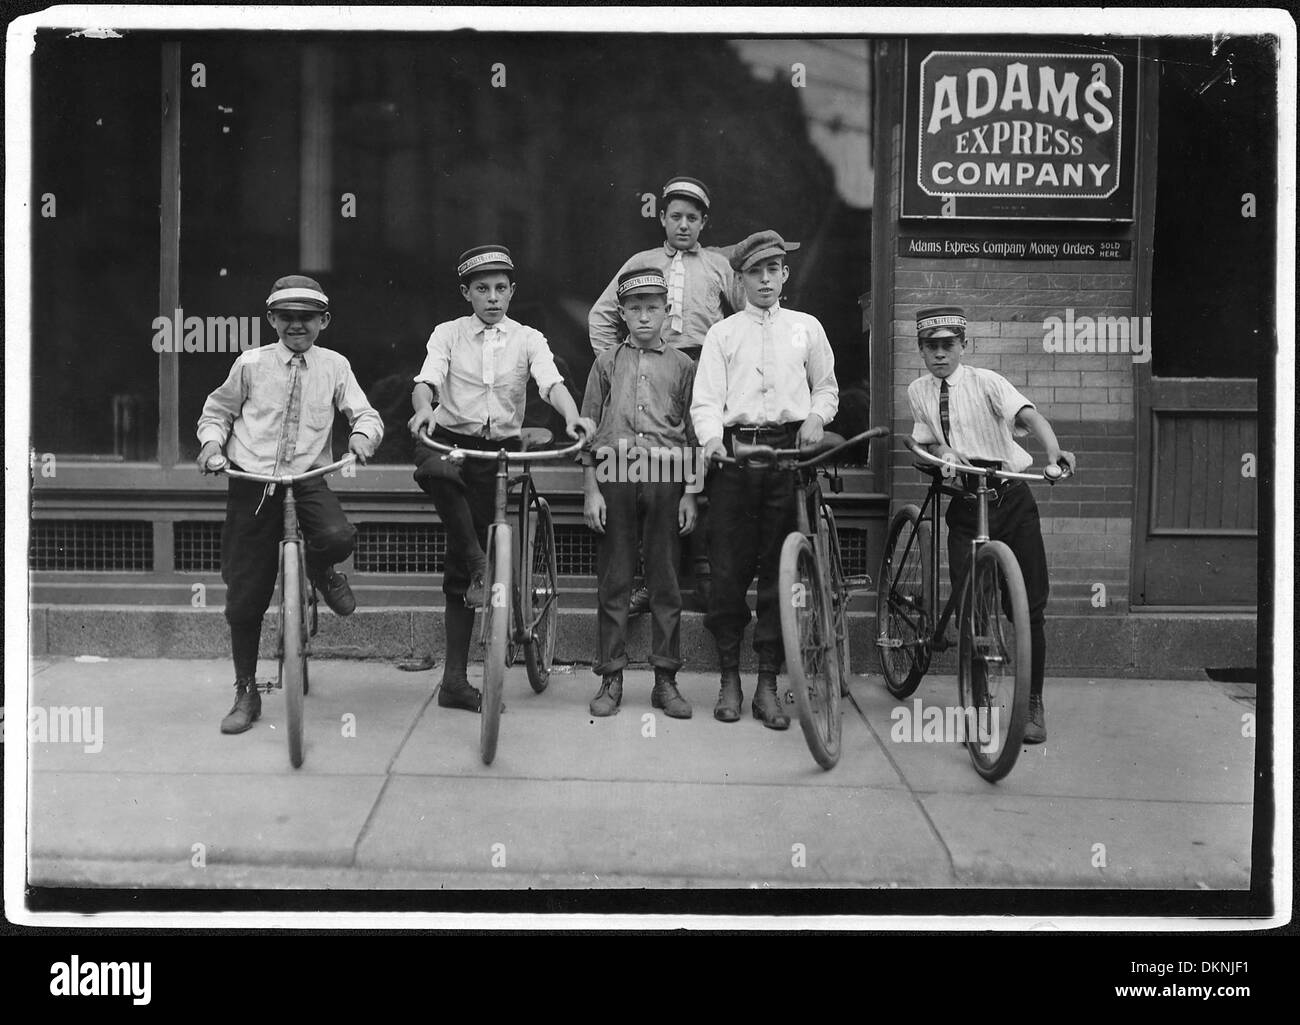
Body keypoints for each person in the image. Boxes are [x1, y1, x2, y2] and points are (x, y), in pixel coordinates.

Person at [407, 245, 594, 713]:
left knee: (462, 559)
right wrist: (425, 409)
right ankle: (479, 566)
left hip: (497, 451)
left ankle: (455, 677)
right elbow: (427, 380)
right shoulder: (448, 334)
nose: (492, 297)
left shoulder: (528, 338)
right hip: (449, 439)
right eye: (482, 289)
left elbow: (551, 384)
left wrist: (572, 417)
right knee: (436, 469)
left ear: (512, 292)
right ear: (466, 293)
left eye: (500, 288)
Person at [197, 274, 383, 735]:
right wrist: (211, 444)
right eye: (287, 317)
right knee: (246, 593)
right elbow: (218, 411)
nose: (297, 325)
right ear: (272, 319)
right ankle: (246, 690)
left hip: (305, 479)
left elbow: (364, 413)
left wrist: (362, 436)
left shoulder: (335, 365)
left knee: (338, 536)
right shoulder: (251, 363)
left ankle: (320, 569)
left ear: (324, 321)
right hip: (254, 482)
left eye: (307, 317)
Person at [906, 305, 1076, 744]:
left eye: (948, 345)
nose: (940, 354)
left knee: (1029, 607)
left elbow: (1029, 417)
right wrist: (941, 454)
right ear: (921, 349)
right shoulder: (918, 391)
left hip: (1010, 500)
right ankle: (978, 708)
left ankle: (1032, 703)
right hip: (966, 504)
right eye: (931, 346)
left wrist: (1054, 451)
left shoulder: (987, 382)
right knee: (973, 610)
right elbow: (924, 440)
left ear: (964, 346)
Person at [692, 230, 839, 729]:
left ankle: (768, 684)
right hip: (736, 459)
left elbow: (827, 388)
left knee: (781, 573)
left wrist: (816, 417)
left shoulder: (806, 328)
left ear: (785, 274)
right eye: (755, 272)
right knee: (728, 572)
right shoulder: (723, 334)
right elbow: (706, 402)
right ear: (741, 280)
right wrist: (712, 441)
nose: (765, 280)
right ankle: (729, 679)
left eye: (773, 269)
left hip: (788, 457)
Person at [588, 175, 742, 613]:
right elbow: (601, 315)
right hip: (648, 371)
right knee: (646, 470)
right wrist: (620, 366)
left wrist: (729, 372)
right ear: (662, 218)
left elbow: (743, 319)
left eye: (692, 218)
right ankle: (643, 579)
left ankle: (705, 577)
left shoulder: (717, 266)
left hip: (703, 371)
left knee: (703, 466)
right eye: (675, 216)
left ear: (704, 222)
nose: (683, 225)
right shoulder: (643, 261)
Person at [581, 268, 699, 719]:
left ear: (666, 311)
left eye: (652, 307)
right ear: (623, 313)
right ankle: (611, 676)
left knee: (665, 580)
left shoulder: (684, 366)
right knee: (615, 578)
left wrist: (691, 493)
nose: (644, 316)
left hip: (667, 475)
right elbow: (588, 429)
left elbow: (694, 433)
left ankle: (665, 679)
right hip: (615, 473)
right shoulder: (606, 363)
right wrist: (591, 490)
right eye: (635, 308)